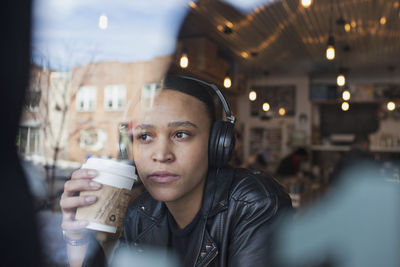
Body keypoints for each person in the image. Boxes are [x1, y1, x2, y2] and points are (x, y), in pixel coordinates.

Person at [60, 75, 292, 267]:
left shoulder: (256, 205)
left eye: (181, 134)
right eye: (145, 136)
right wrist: (78, 239)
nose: (161, 154)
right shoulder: (140, 215)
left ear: (216, 144)